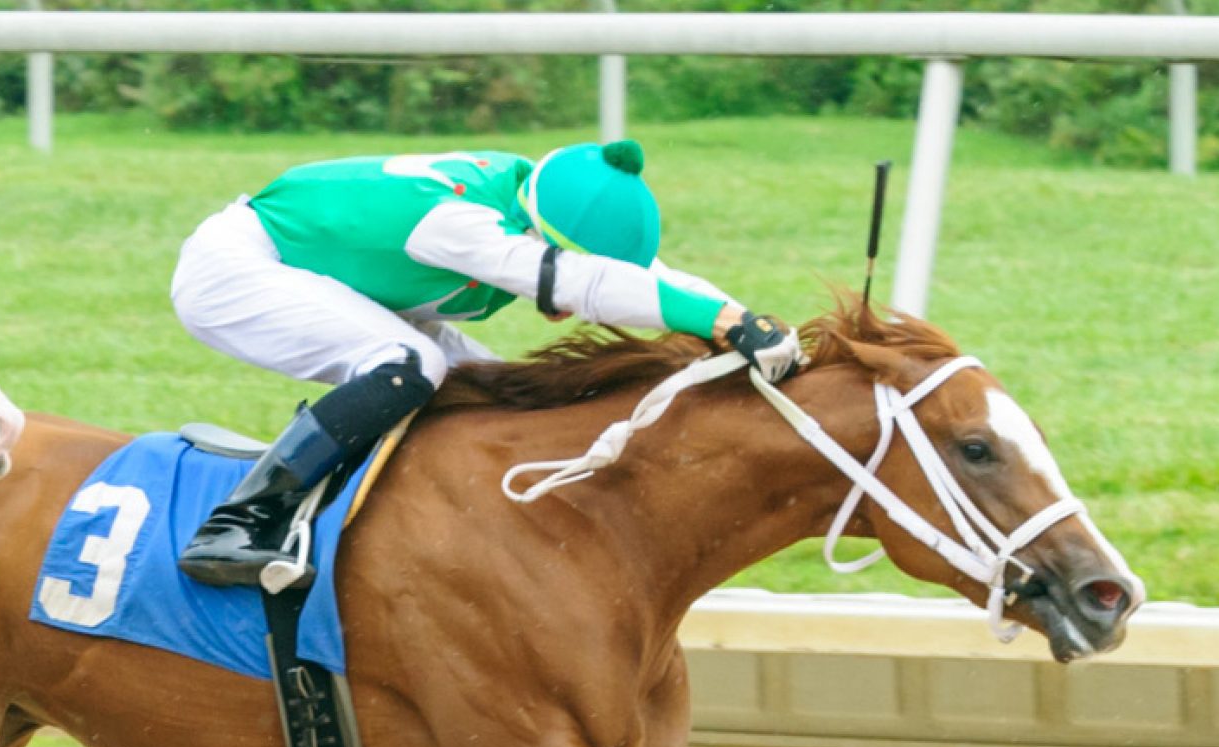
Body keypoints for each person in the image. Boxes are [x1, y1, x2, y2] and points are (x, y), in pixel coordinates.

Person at [170, 141, 805, 588]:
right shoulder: (462, 222)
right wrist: (719, 326)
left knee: (493, 390)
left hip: (329, 269)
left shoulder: (536, 197)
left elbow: (638, 277)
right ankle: (235, 524)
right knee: (407, 364)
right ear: (536, 232)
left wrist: (748, 320)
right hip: (238, 269)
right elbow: (569, 281)